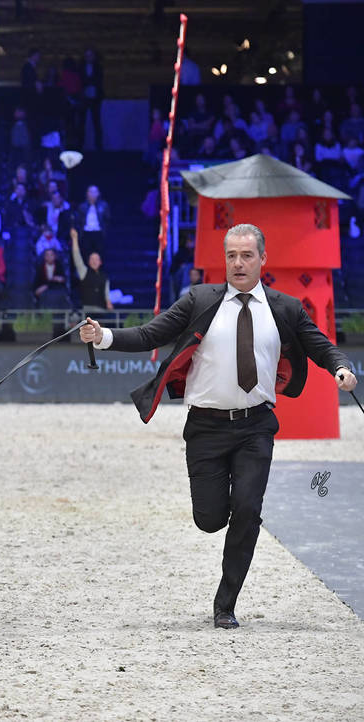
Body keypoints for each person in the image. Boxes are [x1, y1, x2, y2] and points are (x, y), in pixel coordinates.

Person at [80, 223, 358, 630]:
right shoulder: (200, 299)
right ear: (223, 259)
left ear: (263, 259)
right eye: (231, 255)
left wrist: (341, 368)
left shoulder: (284, 308)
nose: (238, 263)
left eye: (247, 255)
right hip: (206, 428)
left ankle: (225, 605)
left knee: (247, 509)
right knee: (209, 519)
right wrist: (102, 336)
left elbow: (320, 345)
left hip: (256, 426)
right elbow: (149, 333)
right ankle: (230, 509)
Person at [70, 228, 112, 312]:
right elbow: (77, 257)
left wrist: (109, 303)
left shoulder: (105, 277)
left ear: (100, 262)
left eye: (96, 259)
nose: (94, 261)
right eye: (92, 259)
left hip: (102, 311)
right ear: (88, 262)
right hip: (87, 311)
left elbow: (107, 295)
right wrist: (75, 239)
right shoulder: (84, 272)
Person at [76, 185, 109, 256]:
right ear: (87, 193)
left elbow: (107, 219)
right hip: (86, 233)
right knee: (86, 255)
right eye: (91, 192)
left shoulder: (103, 205)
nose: (93, 194)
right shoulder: (82, 206)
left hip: (99, 233)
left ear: (98, 193)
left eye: (95, 192)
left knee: (99, 255)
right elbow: (78, 221)